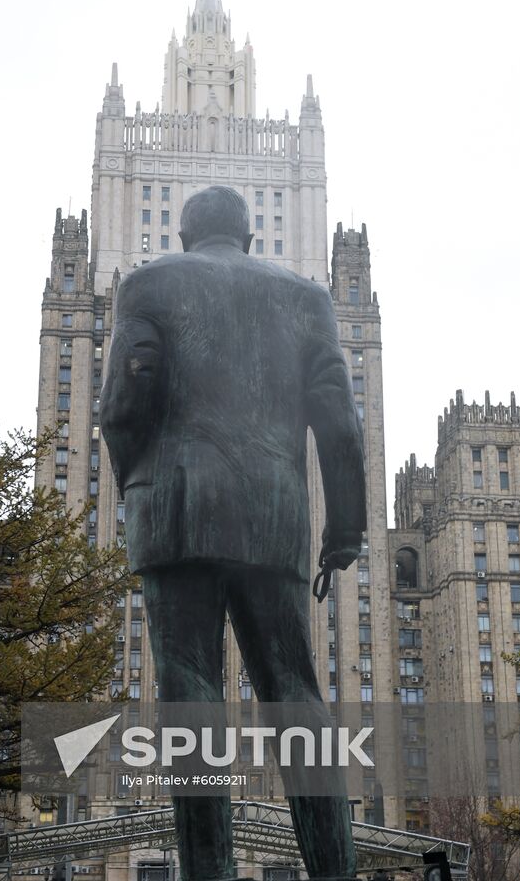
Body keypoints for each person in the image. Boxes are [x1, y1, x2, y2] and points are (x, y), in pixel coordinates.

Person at [101, 185, 366, 881]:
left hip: (174, 510)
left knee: (190, 695)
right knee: (296, 696)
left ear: (186, 236)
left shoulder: (148, 285)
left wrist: (139, 484)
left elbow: (124, 399)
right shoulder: (307, 299)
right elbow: (341, 424)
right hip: (273, 515)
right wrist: (345, 526)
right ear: (249, 236)